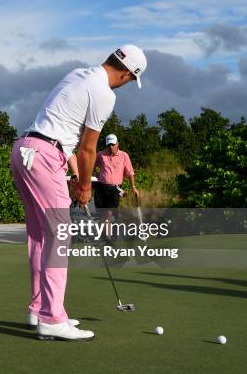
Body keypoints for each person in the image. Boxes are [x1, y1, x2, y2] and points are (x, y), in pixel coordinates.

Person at [11, 44, 147, 341]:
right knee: (59, 236)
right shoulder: (105, 93)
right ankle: (51, 318)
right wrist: (85, 186)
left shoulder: (78, 74)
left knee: (39, 236)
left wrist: (74, 173)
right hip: (45, 156)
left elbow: (63, 133)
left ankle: (39, 309)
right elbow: (88, 147)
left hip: (25, 149)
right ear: (127, 75)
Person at [94, 134, 139, 209]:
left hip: (115, 189)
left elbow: (130, 172)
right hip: (101, 187)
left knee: (109, 212)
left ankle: (106, 220)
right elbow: (91, 165)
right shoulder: (100, 155)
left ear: (117, 144)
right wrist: (96, 173)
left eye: (113, 144)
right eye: (109, 145)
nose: (111, 147)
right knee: (100, 211)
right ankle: (104, 220)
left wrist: (133, 187)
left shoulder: (124, 155)